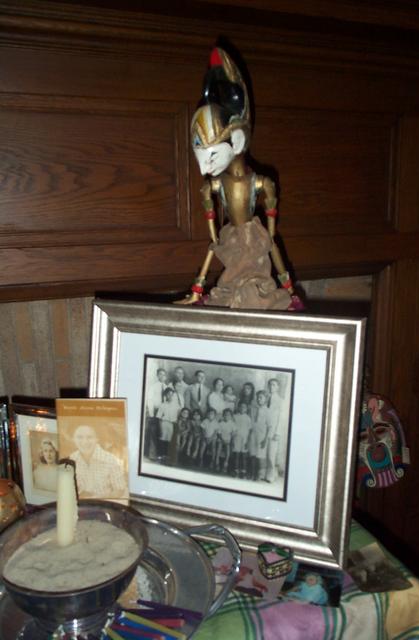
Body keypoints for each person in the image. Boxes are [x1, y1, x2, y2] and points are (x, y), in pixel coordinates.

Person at [176, 47, 302, 311]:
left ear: (237, 141)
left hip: (253, 236)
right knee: (220, 253)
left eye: (211, 156)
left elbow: (271, 227)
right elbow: (210, 217)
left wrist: (266, 238)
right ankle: (197, 292)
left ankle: (289, 291)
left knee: (270, 249)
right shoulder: (216, 183)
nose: (204, 169)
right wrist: (217, 237)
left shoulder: (260, 182)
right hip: (232, 237)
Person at [70, 424, 126, 499]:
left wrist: (100, 497)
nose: (85, 442)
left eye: (89, 437)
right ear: (73, 439)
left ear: (97, 439)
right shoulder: (71, 459)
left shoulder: (110, 459)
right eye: (79, 437)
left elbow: (120, 490)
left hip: (103, 503)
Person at [145, 368, 172, 460]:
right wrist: (151, 414)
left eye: (164, 374)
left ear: (166, 376)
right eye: (160, 374)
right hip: (155, 411)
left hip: (164, 412)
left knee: (162, 433)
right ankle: (152, 454)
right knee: (154, 432)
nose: (162, 376)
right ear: (157, 376)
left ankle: (160, 454)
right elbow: (150, 400)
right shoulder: (153, 387)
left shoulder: (166, 387)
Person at [265, 377, 289, 483]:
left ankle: (271, 475)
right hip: (264, 429)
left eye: (274, 385)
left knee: (271, 453)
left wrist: (278, 432)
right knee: (264, 452)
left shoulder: (280, 401)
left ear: (278, 387)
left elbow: (281, 418)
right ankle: (266, 473)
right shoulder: (266, 398)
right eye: (270, 384)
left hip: (274, 429)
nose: (271, 386)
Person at [247, 390, 270, 481]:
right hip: (253, 433)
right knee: (252, 454)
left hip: (262, 435)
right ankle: (252, 473)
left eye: (261, 397)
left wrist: (265, 439)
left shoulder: (268, 411)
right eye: (257, 397)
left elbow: (269, 426)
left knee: (259, 456)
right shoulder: (253, 409)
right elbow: (251, 422)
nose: (258, 399)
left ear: (266, 399)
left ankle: (258, 474)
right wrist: (249, 434)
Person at [232, 401, 252, 477]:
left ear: (246, 409)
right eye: (241, 406)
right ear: (238, 407)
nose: (242, 408)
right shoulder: (235, 416)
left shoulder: (248, 418)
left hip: (245, 438)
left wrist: (248, 441)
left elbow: (250, 430)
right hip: (236, 437)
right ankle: (236, 470)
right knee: (236, 454)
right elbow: (232, 428)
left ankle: (243, 471)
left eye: (244, 407)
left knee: (244, 455)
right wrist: (232, 438)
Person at [215, 408, 235, 472]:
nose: (227, 416)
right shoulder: (221, 423)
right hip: (221, 439)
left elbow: (233, 434)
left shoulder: (232, 424)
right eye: (225, 415)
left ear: (231, 416)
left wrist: (231, 441)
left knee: (228, 450)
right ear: (223, 415)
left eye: (228, 415)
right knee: (219, 448)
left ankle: (225, 465)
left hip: (228, 441)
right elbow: (219, 433)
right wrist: (222, 440)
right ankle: (217, 463)